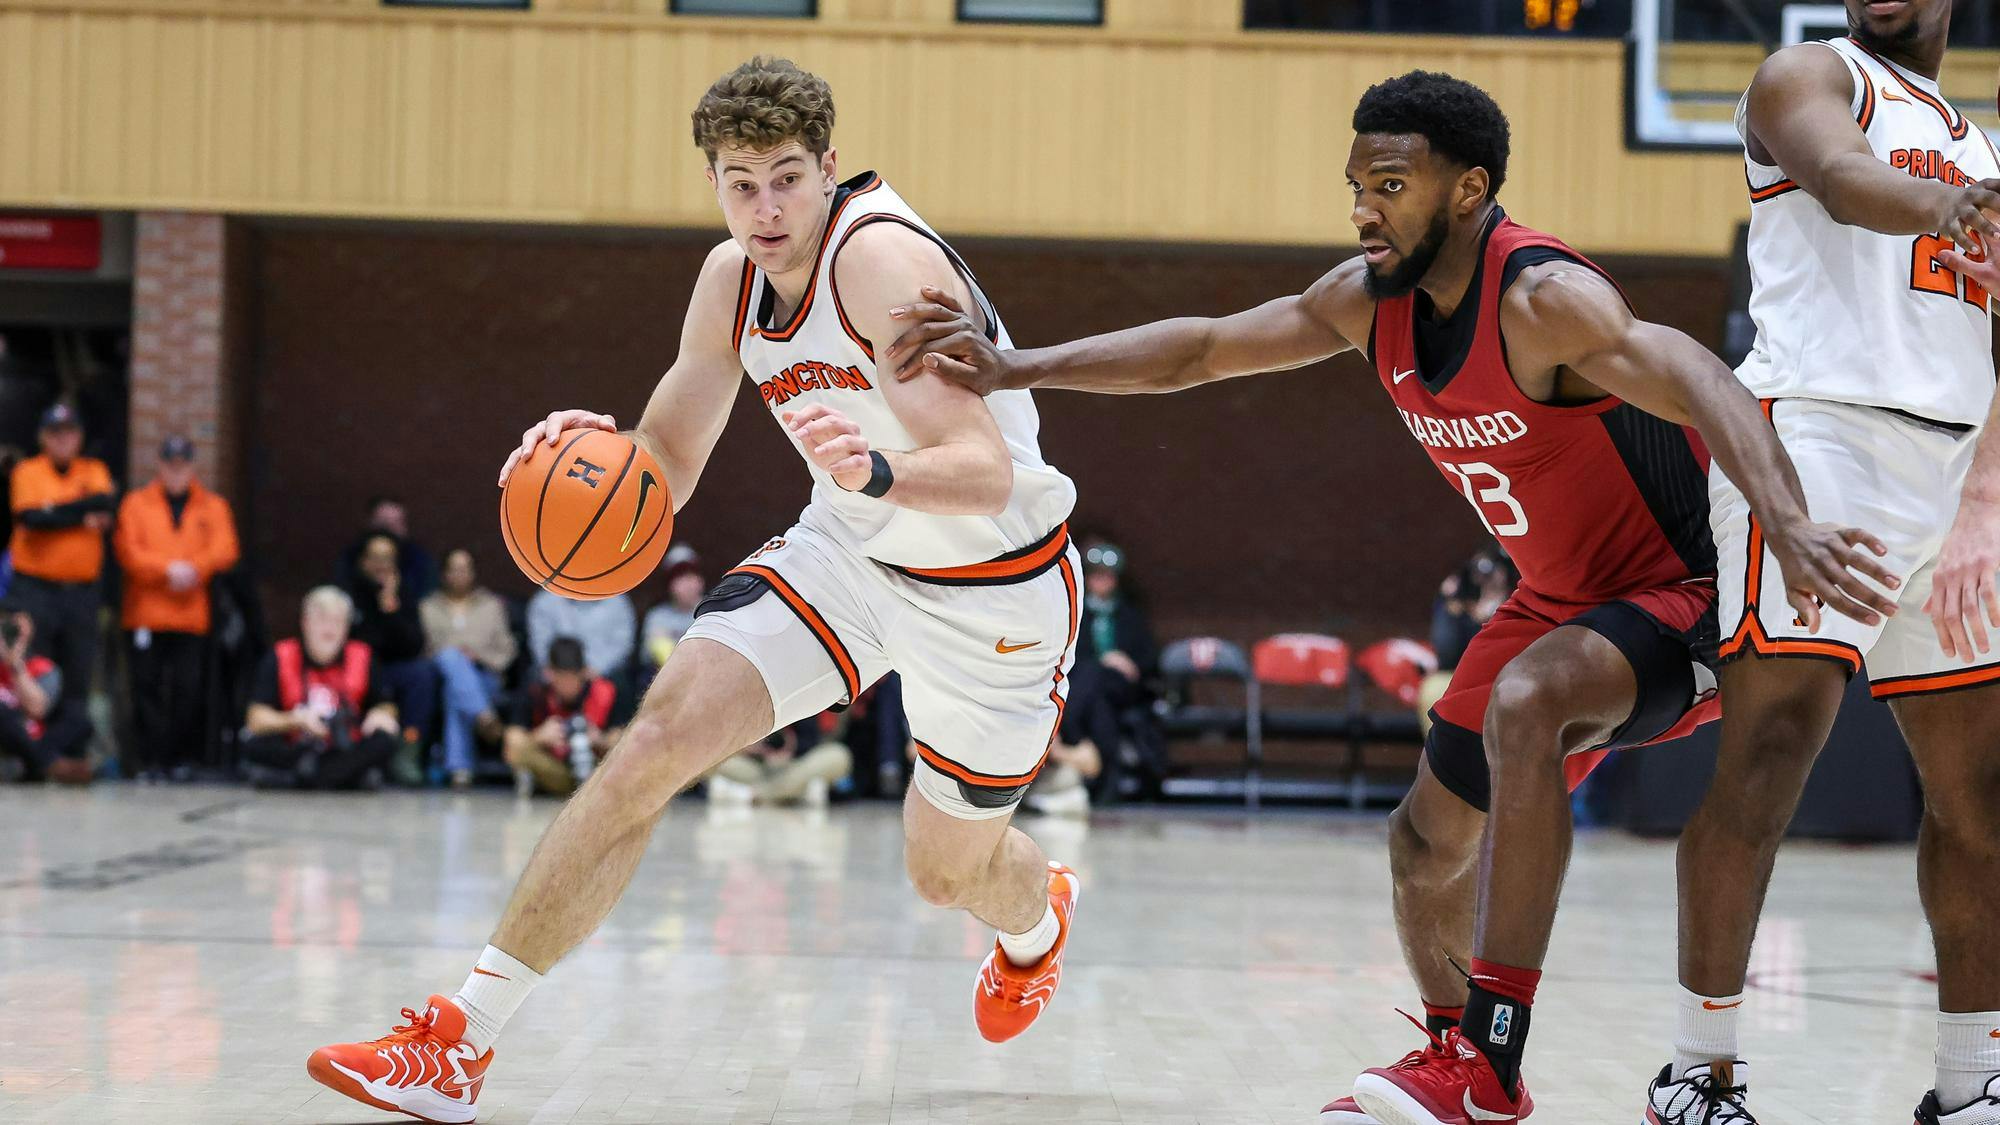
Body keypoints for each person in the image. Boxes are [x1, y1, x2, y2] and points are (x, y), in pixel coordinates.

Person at [881, 69, 1893, 1125]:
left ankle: (1492, 1059)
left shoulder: (1542, 300)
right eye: (1356, 183)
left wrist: (1785, 520)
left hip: (1687, 596)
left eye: (1390, 183)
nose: (1363, 206)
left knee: (1527, 702)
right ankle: (1461, 1062)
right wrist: (1014, 369)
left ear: (1468, 189)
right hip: (1558, 602)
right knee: (1420, 843)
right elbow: (1203, 349)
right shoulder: (1366, 304)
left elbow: (1696, 371)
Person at [310, 57, 1084, 1122]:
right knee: (654, 739)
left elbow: (982, 467)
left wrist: (875, 469)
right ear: (712, 182)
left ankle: (1036, 919)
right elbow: (663, 463)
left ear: (825, 168)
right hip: (849, 553)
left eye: (784, 178)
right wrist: (588, 455)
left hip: (994, 586)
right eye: (738, 182)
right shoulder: (727, 280)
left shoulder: (883, 264)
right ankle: (461, 1041)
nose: (764, 209)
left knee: (946, 875)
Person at [1659, 4, 2000, 1122]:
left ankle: (1968, 1085)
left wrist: (1982, 510)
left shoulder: (1975, 138)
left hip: (1948, 478)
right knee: (1766, 754)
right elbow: (1847, 180)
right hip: (1817, 440)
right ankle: (1695, 1076)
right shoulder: (1805, 73)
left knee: (1978, 799)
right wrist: (1946, 207)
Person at [114, 435, 241, 782]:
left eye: (183, 465)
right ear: (160, 465)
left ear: (193, 467)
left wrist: (194, 568)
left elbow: (225, 548)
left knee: (189, 690)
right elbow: (128, 551)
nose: (176, 472)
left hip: (190, 615)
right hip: (146, 613)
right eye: (170, 464)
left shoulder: (212, 506)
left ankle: (182, 759)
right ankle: (149, 760)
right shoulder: (136, 504)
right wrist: (167, 570)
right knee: (146, 688)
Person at [1030, 539, 1155, 815]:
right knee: (1099, 703)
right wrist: (1103, 659)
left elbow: (1147, 659)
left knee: (1095, 678)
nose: (1101, 581)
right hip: (1087, 689)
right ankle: (1104, 787)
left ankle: (1063, 738)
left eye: (1107, 575)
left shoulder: (1130, 616)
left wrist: (1122, 661)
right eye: (1096, 574)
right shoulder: (1075, 610)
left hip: (1119, 687)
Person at [7, 403, 115, 716]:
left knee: (78, 671)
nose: (62, 440)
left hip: (80, 592)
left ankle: (70, 753)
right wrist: (82, 514)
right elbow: (32, 519)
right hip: (35, 590)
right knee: (35, 669)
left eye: (69, 433)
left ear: (79, 437)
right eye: (55, 434)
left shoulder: (93, 470)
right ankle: (34, 749)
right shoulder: (28, 471)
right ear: (43, 437)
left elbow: (104, 502)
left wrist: (55, 511)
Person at [240, 586, 399, 791]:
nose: (329, 629)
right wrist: (297, 719)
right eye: (322, 620)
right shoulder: (281, 655)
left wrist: (380, 714)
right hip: (297, 746)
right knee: (254, 744)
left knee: (386, 739)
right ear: (305, 624)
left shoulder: (362, 655)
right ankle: (347, 778)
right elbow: (256, 719)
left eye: (337, 621)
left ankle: (302, 779)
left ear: (347, 627)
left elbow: (386, 705)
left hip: (346, 747)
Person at [344, 532, 436, 783]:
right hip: (357, 671)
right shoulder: (349, 592)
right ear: (362, 561)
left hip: (393, 669)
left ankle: (408, 749)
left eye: (387, 558)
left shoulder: (402, 593)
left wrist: (390, 607)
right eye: (374, 557)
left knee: (422, 674)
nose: (381, 564)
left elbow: (414, 644)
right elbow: (352, 642)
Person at [422, 548, 517, 790]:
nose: (459, 575)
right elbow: (424, 649)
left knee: (457, 691)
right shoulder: (428, 607)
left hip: (484, 674)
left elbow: (507, 650)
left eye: (464, 569)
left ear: (473, 573)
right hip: (440, 675)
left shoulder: (491, 605)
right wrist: (455, 655)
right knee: (452, 661)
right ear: (444, 574)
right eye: (453, 569)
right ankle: (484, 716)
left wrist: (479, 656)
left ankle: (460, 770)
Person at [501, 636, 620, 798]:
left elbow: (622, 737)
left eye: (572, 679)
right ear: (549, 673)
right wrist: (538, 737)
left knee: (622, 748)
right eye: (561, 679)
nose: (567, 687)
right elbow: (512, 739)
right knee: (516, 749)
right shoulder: (535, 692)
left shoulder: (605, 692)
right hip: (554, 767)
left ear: (585, 672)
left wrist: (599, 739)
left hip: (595, 771)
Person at [0, 598, 92, 784]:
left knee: (78, 717)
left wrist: (15, 664)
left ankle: (35, 763)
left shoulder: (42, 667)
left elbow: (37, 709)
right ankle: (46, 764)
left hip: (31, 735)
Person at [706, 716, 853, 807]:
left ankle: (752, 796)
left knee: (839, 755)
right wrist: (749, 748)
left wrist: (790, 748)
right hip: (756, 768)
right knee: (707, 759)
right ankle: (793, 794)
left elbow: (810, 741)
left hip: (793, 766)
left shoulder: (801, 694)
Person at [525, 586, 635, 685]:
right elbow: (540, 642)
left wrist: (596, 669)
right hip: (557, 670)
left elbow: (622, 645)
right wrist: (553, 668)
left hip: (603, 672)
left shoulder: (618, 602)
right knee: (533, 679)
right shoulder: (544, 600)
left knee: (621, 682)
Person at [338, 495, 439, 602]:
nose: (391, 530)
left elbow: (426, 598)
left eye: (397, 523)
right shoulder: (351, 557)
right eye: (384, 524)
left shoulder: (419, 560)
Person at [639, 545, 704, 681]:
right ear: (669, 585)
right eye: (679, 578)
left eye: (691, 575)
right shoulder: (657, 616)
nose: (687, 584)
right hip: (669, 678)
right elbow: (657, 654)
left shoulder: (712, 611)